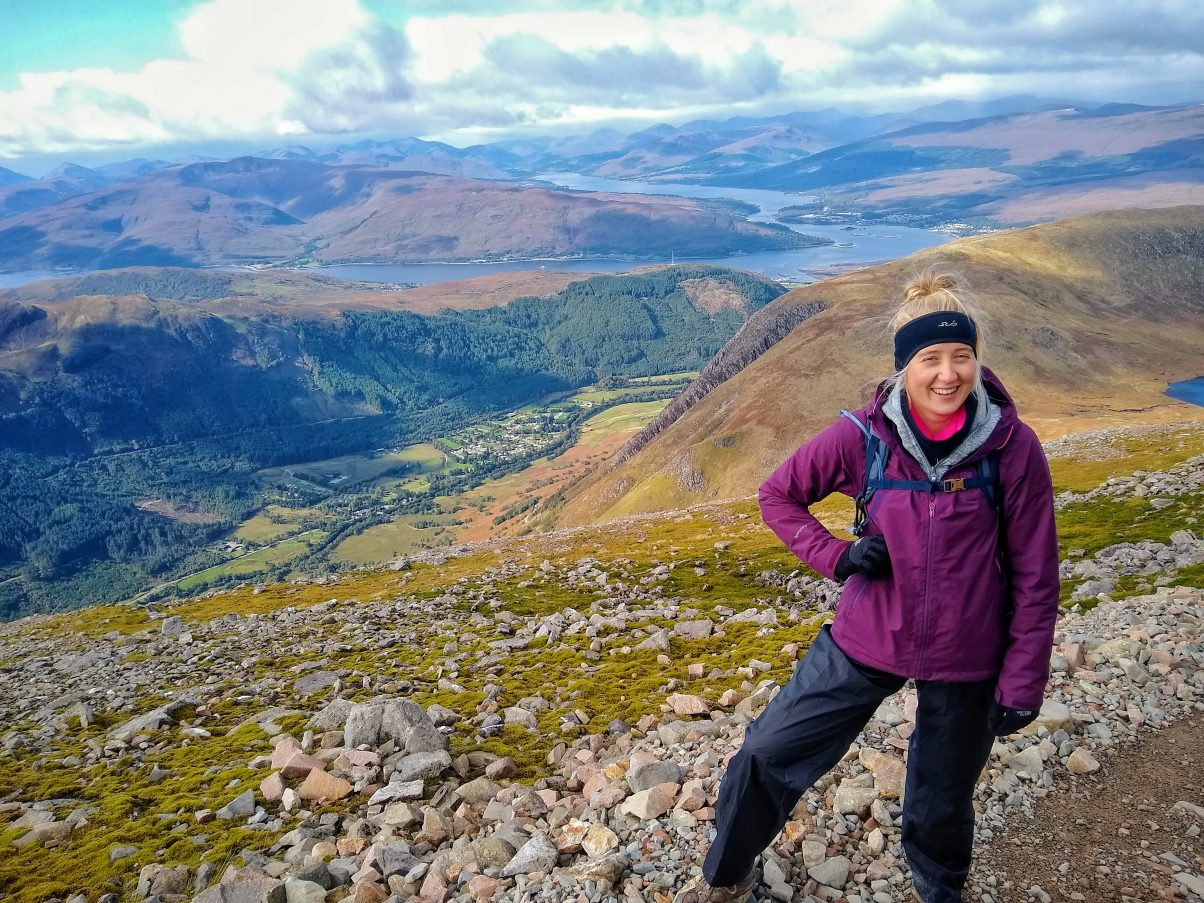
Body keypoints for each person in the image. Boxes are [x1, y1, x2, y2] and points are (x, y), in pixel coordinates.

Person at [674, 273, 1060, 903]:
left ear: (977, 360)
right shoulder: (864, 437)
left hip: (969, 651)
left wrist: (1022, 681)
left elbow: (1036, 575)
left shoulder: (1011, 448)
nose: (947, 373)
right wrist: (837, 555)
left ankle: (940, 890)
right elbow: (779, 494)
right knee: (767, 752)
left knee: (941, 796)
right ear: (903, 365)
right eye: (929, 358)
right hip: (867, 634)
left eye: (961, 356)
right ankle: (725, 876)